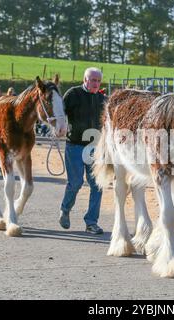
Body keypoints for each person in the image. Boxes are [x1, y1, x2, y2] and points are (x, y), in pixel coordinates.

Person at [59, 67, 106, 235]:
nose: (96, 84)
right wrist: (56, 123)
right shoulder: (73, 94)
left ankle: (91, 222)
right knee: (76, 183)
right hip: (75, 146)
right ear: (85, 79)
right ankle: (65, 209)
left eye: (98, 81)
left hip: (94, 147)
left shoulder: (102, 99)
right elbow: (59, 113)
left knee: (97, 185)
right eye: (93, 80)